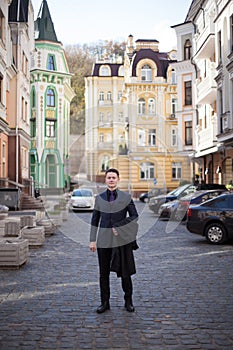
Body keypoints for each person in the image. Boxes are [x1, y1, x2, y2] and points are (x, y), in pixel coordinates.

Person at [90, 168, 139, 313]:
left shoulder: (126, 197)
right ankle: (105, 303)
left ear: (118, 179)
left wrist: (120, 226)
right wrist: (92, 240)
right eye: (109, 177)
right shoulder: (99, 198)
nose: (111, 180)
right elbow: (95, 220)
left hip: (121, 240)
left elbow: (134, 216)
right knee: (103, 273)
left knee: (125, 272)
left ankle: (128, 301)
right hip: (103, 241)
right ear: (105, 180)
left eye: (113, 177)